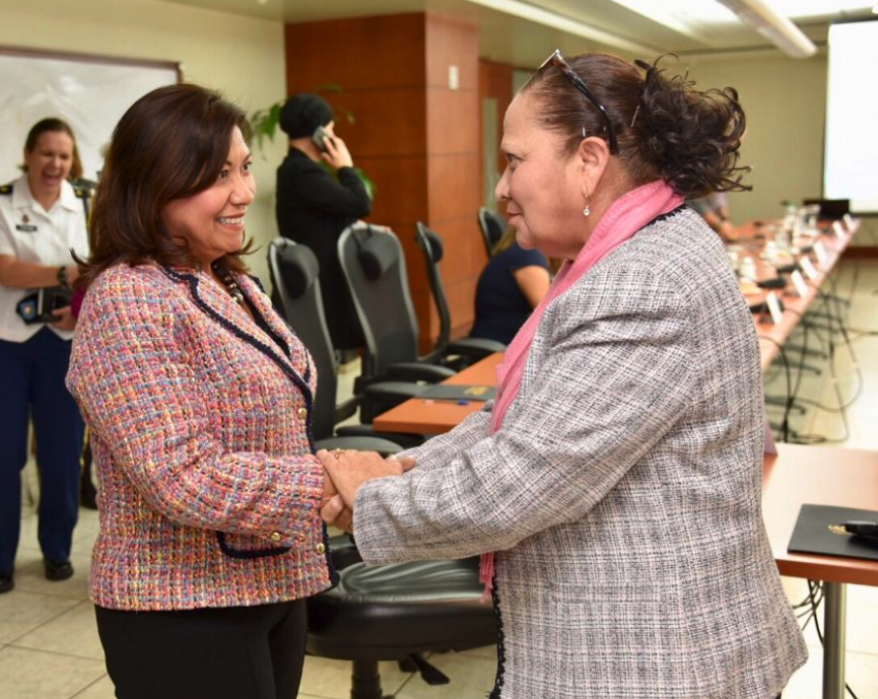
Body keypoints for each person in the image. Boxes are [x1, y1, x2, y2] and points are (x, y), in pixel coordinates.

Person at [319, 52, 807, 699]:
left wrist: (370, 497)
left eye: (515, 160)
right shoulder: (635, 253)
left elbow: (520, 480)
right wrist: (405, 470)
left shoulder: (639, 283)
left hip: (656, 662)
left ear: (589, 161)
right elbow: (516, 422)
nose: (500, 188)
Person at [66, 84, 354, 699]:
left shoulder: (227, 279)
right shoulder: (129, 297)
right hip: (183, 606)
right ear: (156, 183)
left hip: (269, 580)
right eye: (219, 174)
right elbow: (182, 474)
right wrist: (332, 483)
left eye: (245, 167)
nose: (245, 192)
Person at [0, 117, 89, 595]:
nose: (54, 164)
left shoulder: (84, 202)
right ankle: (0, 559)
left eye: (63, 155)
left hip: (61, 343)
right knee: (2, 456)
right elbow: (8, 273)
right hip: (1, 345)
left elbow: (101, 271)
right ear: (28, 154)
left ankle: (56, 553)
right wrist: (73, 271)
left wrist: (77, 310)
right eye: (46, 153)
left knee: (62, 456)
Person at [276, 93, 371, 352]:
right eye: (331, 128)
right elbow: (360, 203)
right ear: (319, 132)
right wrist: (345, 166)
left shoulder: (298, 169)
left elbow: (338, 212)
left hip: (318, 279)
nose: (335, 135)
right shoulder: (303, 171)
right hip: (316, 284)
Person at [470, 227, 550, 344]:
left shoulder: (521, 251)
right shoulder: (526, 256)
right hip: (501, 348)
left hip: (503, 344)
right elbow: (550, 316)